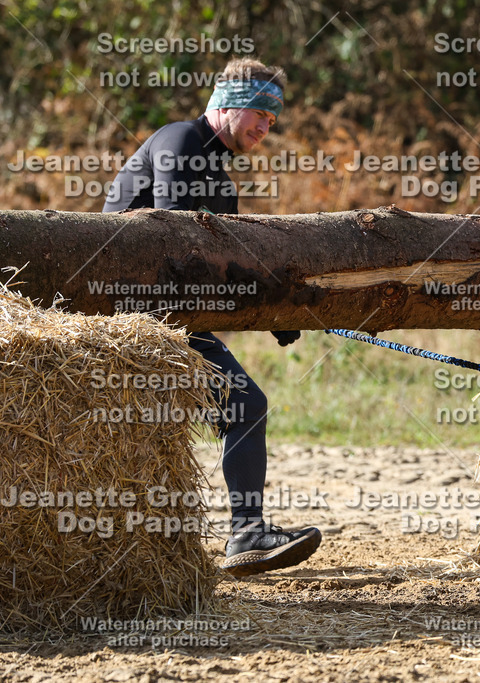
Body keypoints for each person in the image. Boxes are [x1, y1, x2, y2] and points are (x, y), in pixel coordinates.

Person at [103, 57, 321, 576]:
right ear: (226, 105)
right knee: (246, 405)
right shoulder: (179, 141)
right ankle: (246, 532)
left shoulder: (221, 184)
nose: (266, 127)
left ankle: (248, 534)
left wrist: (272, 310)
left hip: (168, 318)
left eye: (272, 118)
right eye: (259, 113)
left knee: (246, 405)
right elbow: (177, 240)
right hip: (125, 320)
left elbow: (226, 270)